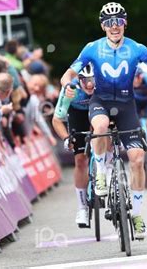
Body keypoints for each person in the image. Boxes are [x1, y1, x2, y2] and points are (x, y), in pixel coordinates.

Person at [60, 2, 147, 239]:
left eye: (118, 21)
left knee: (138, 160)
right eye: (109, 23)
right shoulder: (92, 48)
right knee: (99, 128)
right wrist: (67, 83)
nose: (114, 26)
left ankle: (137, 215)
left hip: (125, 105)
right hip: (100, 101)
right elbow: (69, 73)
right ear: (102, 26)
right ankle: (100, 172)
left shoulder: (136, 48)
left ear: (125, 23)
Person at [52, 64, 95, 227]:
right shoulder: (71, 90)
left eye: (92, 79)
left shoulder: (104, 85)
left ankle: (108, 172)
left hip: (99, 110)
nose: (89, 84)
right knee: (80, 160)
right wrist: (65, 138)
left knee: (106, 136)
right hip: (78, 115)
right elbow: (57, 120)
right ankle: (82, 207)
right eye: (85, 80)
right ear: (79, 79)